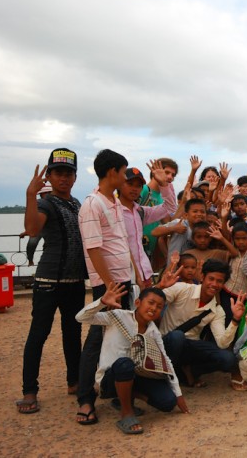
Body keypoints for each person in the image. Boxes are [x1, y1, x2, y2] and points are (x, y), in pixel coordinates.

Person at [18, 148, 88, 414]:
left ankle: (74, 381)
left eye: (68, 173)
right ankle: (29, 390)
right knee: (39, 334)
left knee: (73, 333)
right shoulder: (46, 203)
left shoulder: (76, 204)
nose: (63, 178)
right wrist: (30, 194)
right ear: (49, 175)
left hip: (74, 281)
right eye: (58, 173)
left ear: (75, 176)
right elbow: (34, 228)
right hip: (48, 280)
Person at [75, 282, 189, 434]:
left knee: (168, 402)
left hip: (137, 375)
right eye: (151, 303)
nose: (154, 308)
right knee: (125, 364)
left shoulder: (154, 332)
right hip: (111, 378)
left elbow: (166, 360)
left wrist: (178, 394)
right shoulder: (117, 316)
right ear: (137, 303)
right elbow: (80, 317)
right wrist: (101, 302)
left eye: (159, 306)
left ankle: (127, 396)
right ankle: (126, 413)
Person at [75, 149, 132, 425]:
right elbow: (94, 249)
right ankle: (85, 400)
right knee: (96, 339)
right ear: (113, 172)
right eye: (124, 172)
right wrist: (109, 287)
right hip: (108, 286)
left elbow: (119, 243)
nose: (125, 177)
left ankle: (117, 392)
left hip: (123, 281)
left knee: (123, 337)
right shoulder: (92, 204)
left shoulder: (115, 202)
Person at [159, 259, 243, 388]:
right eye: (211, 279)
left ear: (223, 284)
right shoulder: (182, 289)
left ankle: (189, 371)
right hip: (167, 343)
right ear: (202, 277)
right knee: (177, 337)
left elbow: (222, 343)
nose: (214, 284)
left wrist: (235, 320)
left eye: (219, 281)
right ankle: (166, 377)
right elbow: (151, 301)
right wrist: (160, 286)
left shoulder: (217, 310)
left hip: (190, 346)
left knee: (228, 358)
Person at [117, 163, 177, 290]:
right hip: (122, 276)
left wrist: (164, 185)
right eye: (130, 184)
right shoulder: (113, 211)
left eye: (138, 185)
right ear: (120, 184)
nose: (134, 189)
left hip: (145, 272)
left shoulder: (141, 212)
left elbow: (170, 207)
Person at [139, 157, 178, 270]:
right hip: (138, 246)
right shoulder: (144, 190)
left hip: (152, 246)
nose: (170, 177)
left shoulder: (163, 196)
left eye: (173, 175)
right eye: (167, 172)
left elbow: (168, 219)